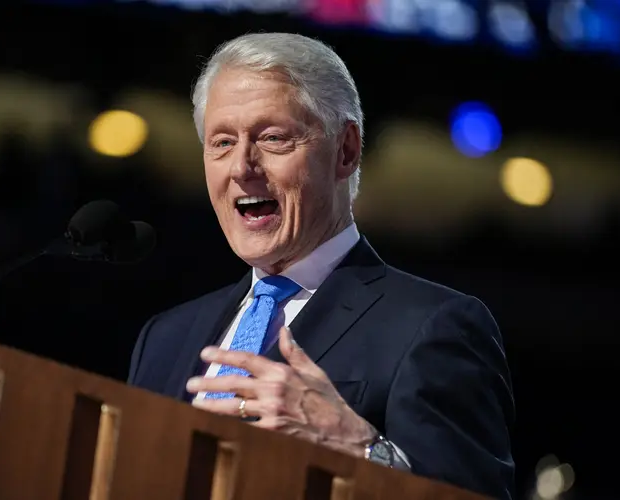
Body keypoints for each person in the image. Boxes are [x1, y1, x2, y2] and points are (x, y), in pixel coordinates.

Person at [129, 32, 515, 499]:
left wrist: (360, 448)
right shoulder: (164, 338)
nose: (241, 167)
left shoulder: (435, 327)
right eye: (222, 142)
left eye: (272, 138)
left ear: (346, 150)